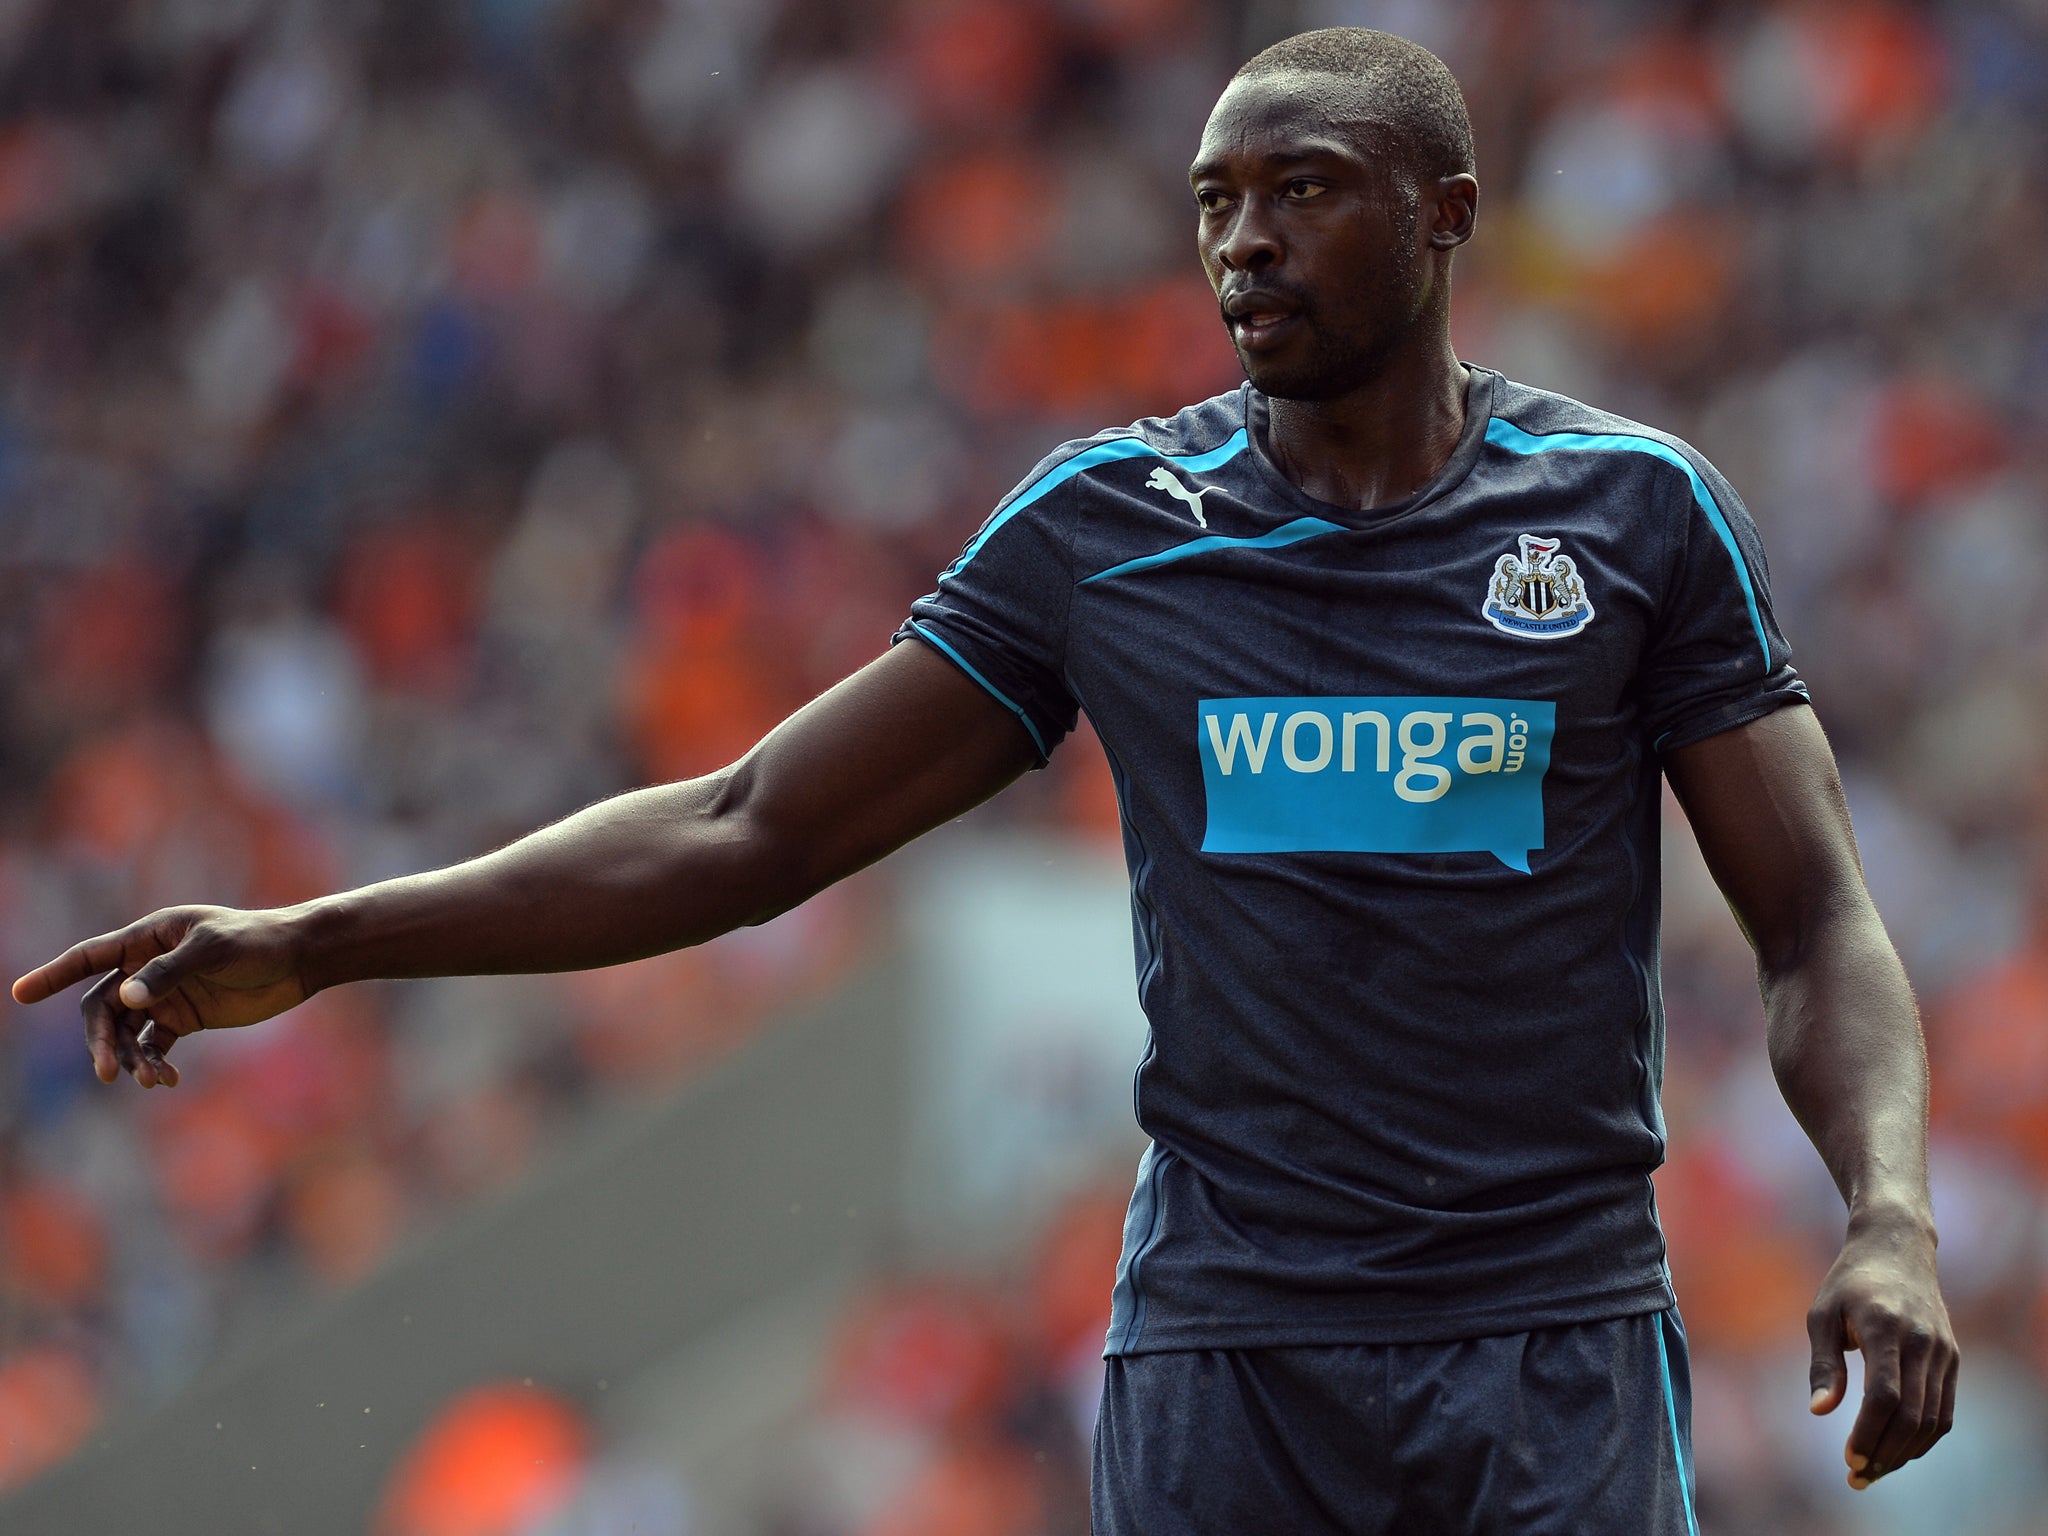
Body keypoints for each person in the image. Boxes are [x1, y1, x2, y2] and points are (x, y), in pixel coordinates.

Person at [12, 28, 1954, 1534]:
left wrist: (1883, 1210)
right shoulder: (1110, 535)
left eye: (1302, 187)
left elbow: (1811, 925)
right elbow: (744, 827)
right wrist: (328, 937)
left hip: (1554, 1348)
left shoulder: (1632, 520)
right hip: (1232, 1361)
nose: (1242, 241)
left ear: (1448, 211)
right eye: (1211, 200)